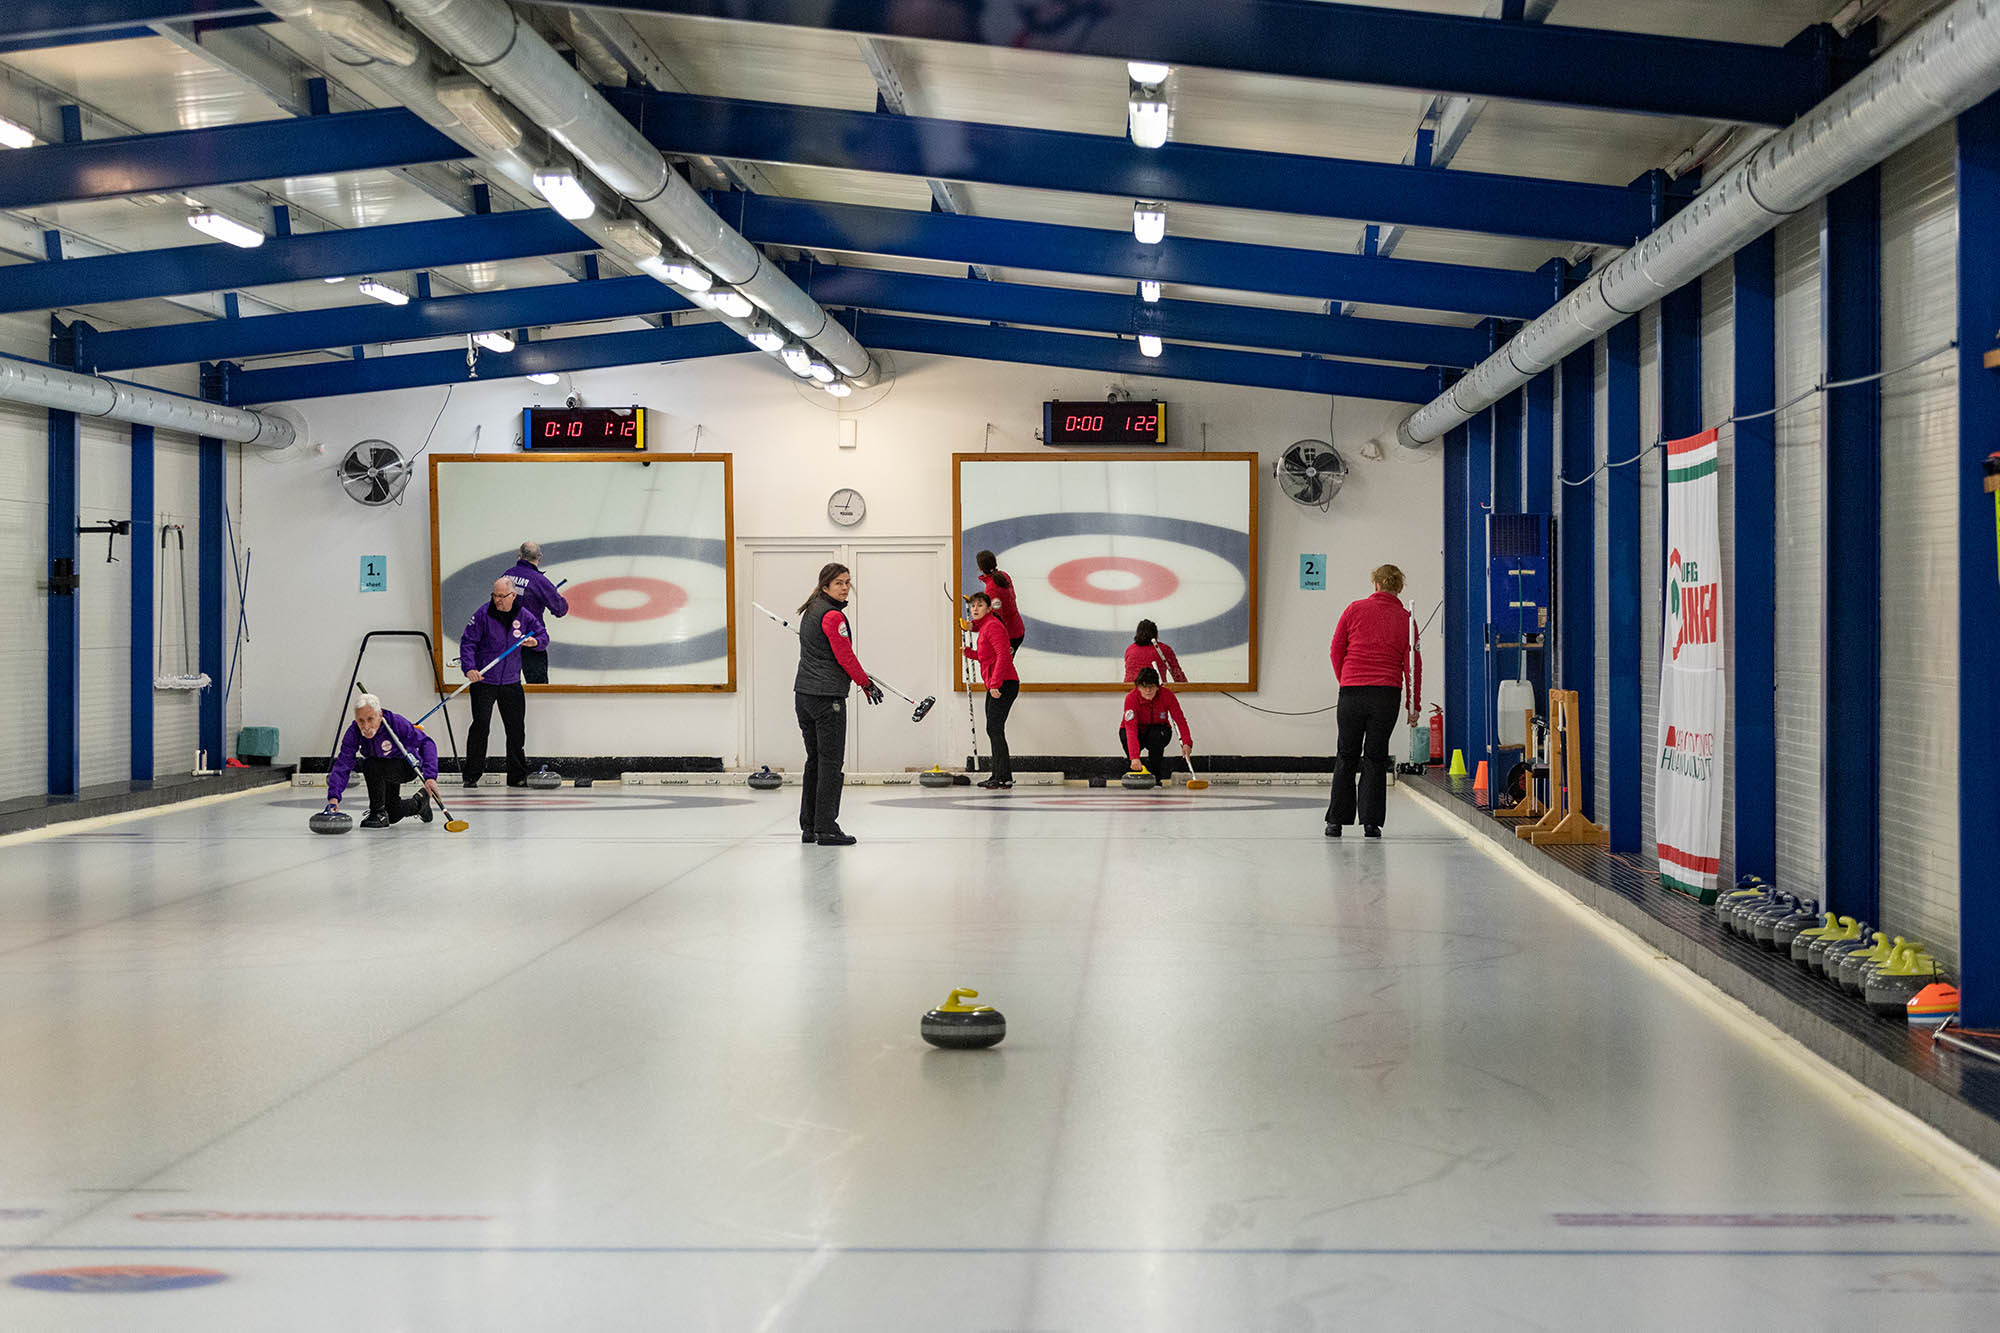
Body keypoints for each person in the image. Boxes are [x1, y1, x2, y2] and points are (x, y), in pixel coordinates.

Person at [1326, 564, 1420, 838]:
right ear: (1399, 588)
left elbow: (1335, 650)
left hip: (1352, 692)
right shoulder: (1406, 618)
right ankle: (1371, 822)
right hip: (1386, 694)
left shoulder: (1354, 609)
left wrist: (1344, 679)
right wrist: (1412, 706)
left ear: (1375, 585)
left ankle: (1336, 822)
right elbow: (1413, 666)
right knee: (1376, 757)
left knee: (1346, 754)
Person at [795, 563, 883, 846]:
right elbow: (845, 656)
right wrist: (865, 684)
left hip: (804, 695)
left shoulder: (811, 611)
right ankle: (827, 827)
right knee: (830, 763)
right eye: (838, 583)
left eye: (847, 582)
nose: (845, 587)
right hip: (826, 698)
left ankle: (809, 826)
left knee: (816, 760)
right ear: (825, 587)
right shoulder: (833, 617)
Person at [459, 576, 547, 788]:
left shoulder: (524, 616)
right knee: (480, 727)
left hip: (511, 682)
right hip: (484, 681)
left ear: (513, 595)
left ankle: (517, 776)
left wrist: (535, 642)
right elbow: (468, 642)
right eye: (494, 595)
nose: (497, 600)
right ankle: (471, 775)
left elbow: (543, 636)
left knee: (516, 729)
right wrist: (469, 668)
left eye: (501, 596)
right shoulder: (483, 614)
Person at [326, 694, 439, 828]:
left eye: (370, 719)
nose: (366, 726)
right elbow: (343, 763)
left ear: (379, 715)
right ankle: (420, 803)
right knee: (393, 814)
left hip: (404, 767)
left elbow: (427, 743)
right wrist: (333, 797)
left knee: (370, 764)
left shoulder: (395, 722)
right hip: (382, 770)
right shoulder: (354, 732)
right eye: (361, 720)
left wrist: (430, 776)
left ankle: (377, 812)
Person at [962, 591, 1020, 789]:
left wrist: (995, 683)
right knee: (994, 729)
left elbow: (1004, 655)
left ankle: (1002, 776)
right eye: (973, 606)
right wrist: (970, 653)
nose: (975, 609)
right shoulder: (986, 626)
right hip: (997, 682)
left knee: (994, 728)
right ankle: (1001, 776)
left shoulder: (993, 626)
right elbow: (988, 656)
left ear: (988, 608)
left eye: (980, 605)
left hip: (1004, 683)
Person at [504, 541, 569, 685]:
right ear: (539, 557)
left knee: (507, 684)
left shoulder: (507, 575)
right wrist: (552, 594)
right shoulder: (540, 581)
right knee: (538, 686)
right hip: (531, 640)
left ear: (519, 556)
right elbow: (560, 609)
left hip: (506, 637)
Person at [1119, 667, 1192, 785]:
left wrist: (1187, 743)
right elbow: (1131, 729)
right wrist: (1134, 757)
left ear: (1158, 686)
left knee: (1156, 736)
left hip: (1159, 730)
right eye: (1144, 687)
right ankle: (1135, 768)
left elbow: (1180, 721)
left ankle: (1155, 775)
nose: (1148, 690)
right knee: (1125, 736)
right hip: (1137, 730)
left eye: (1151, 686)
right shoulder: (1131, 698)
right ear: (1138, 687)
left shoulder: (1167, 695)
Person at [974, 549, 1026, 652]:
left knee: (1001, 666)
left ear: (980, 568)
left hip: (1009, 635)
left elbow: (996, 616)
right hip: (1016, 629)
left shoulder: (991, 588)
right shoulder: (1003, 576)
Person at [1123, 619, 1187, 684]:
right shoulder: (1164, 649)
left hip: (1131, 690)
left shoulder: (1130, 650)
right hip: (1157, 689)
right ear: (1155, 633)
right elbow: (1178, 675)